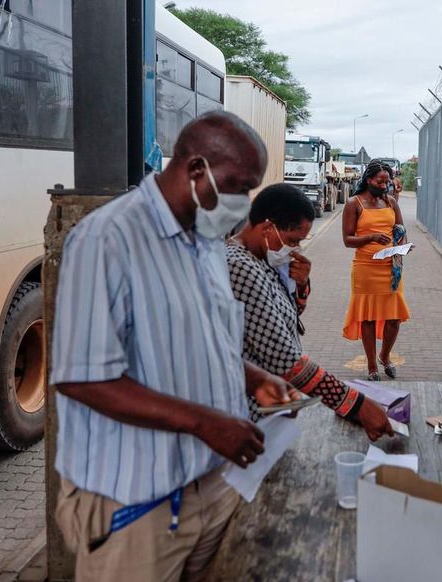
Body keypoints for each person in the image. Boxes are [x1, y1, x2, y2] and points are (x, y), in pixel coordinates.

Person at [50, 112, 298, 581]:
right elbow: (81, 378)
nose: (243, 204)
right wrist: (205, 422)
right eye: (238, 187)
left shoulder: (206, 240)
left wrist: (253, 377)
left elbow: (203, 337)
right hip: (138, 507)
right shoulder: (107, 240)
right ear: (197, 170)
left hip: (213, 485)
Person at [227, 183, 394, 440]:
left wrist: (302, 284)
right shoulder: (240, 268)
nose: (295, 249)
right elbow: (285, 360)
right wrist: (356, 405)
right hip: (247, 419)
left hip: (272, 410)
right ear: (268, 228)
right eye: (292, 241)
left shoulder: (262, 258)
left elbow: (290, 317)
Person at [342, 161, 410, 380]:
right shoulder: (354, 204)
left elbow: (400, 230)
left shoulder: (391, 202)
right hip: (366, 267)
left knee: (394, 318)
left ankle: (385, 355)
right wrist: (371, 237)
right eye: (380, 181)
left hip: (391, 267)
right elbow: (347, 240)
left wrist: (403, 245)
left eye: (387, 182)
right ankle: (372, 366)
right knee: (368, 318)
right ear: (368, 180)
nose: (384, 185)